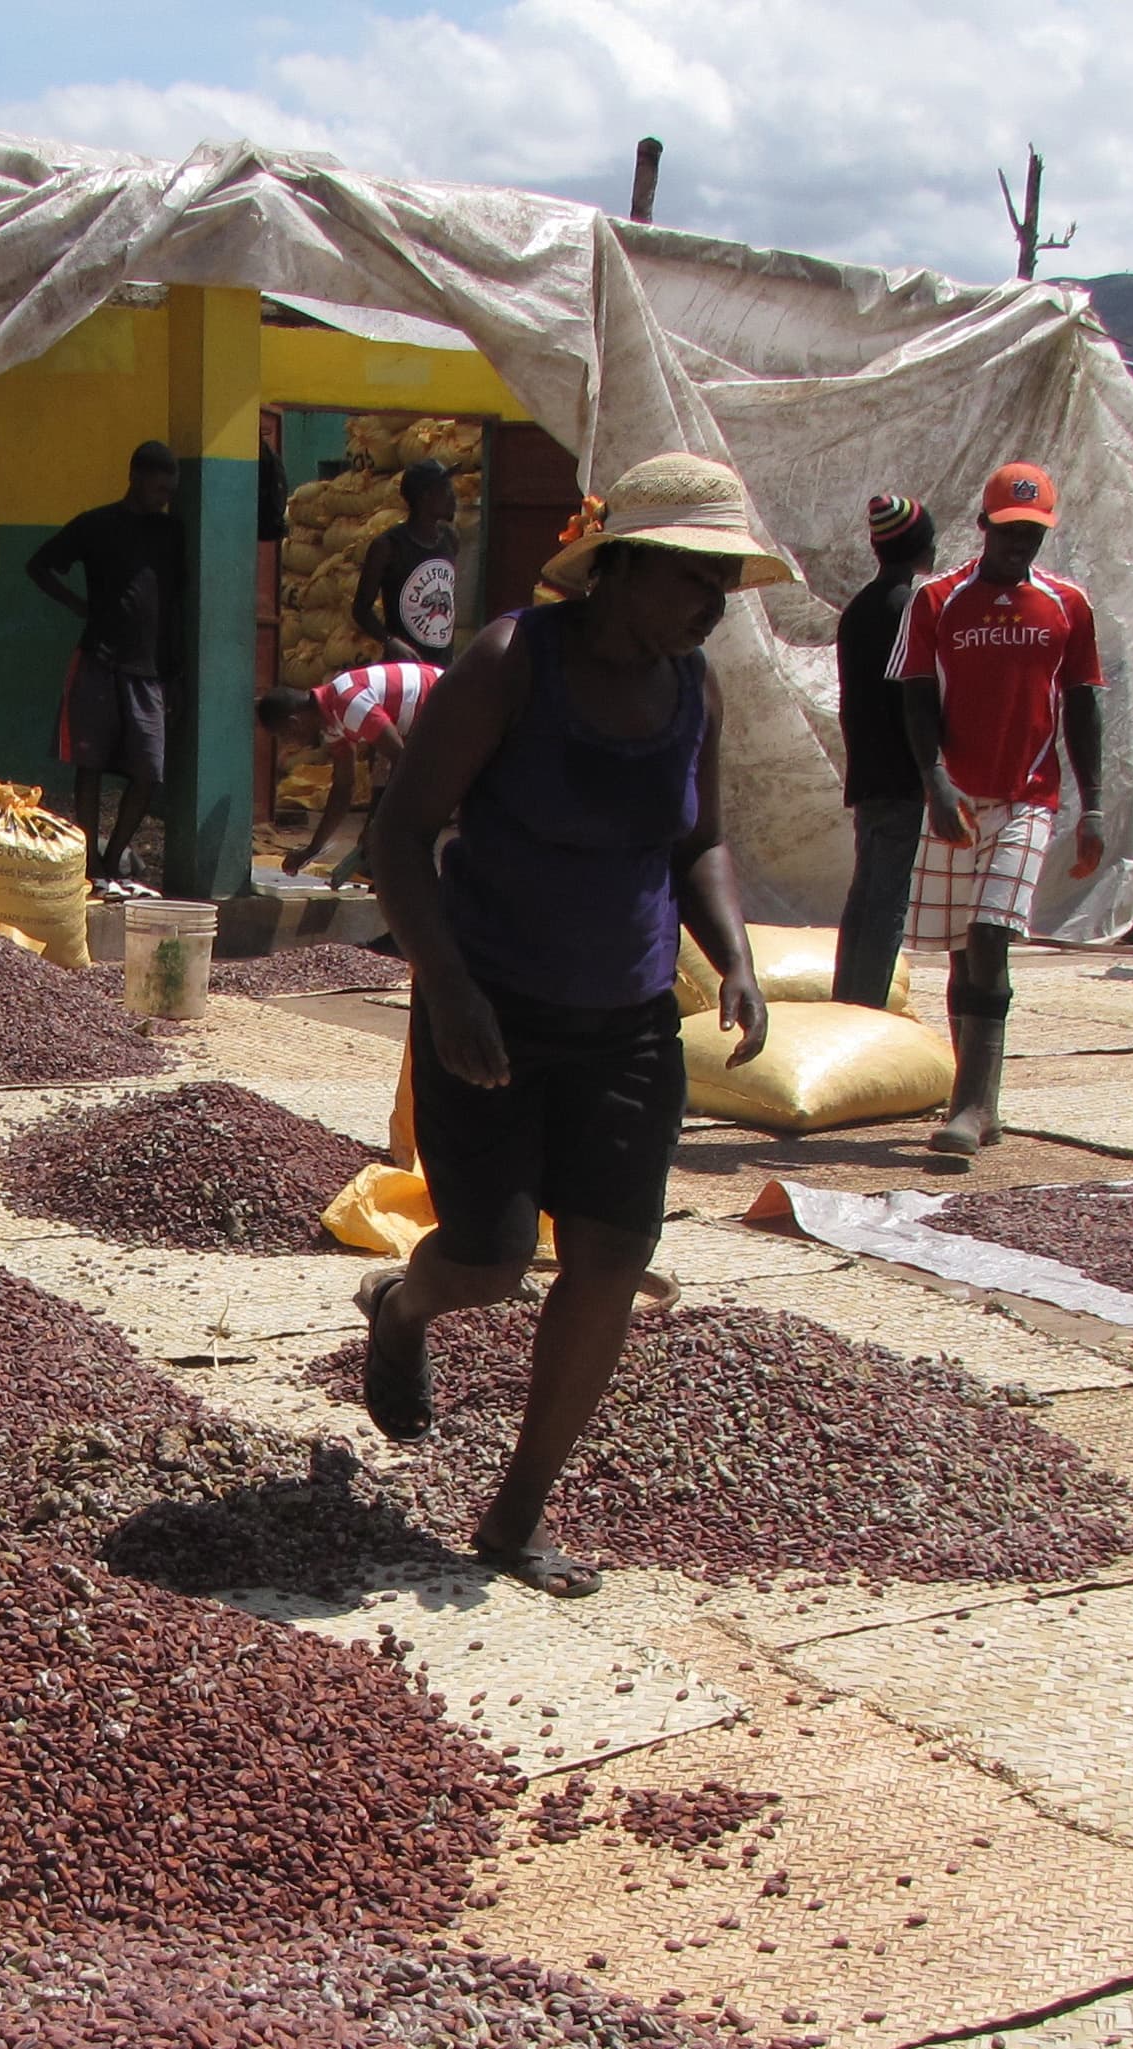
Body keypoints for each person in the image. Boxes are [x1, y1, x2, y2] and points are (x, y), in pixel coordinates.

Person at [354, 453, 774, 1599]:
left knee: (607, 1261)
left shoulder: (696, 688)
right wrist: (448, 989)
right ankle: (402, 1306)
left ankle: (515, 1518)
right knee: (489, 1265)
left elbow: (699, 842)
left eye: (725, 582)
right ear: (620, 568)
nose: (714, 604)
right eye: (696, 577)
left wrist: (733, 955)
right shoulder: (508, 665)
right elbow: (402, 836)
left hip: (629, 1025)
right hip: (489, 1009)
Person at [896, 460, 1109, 1156]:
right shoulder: (938, 600)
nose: (1022, 543)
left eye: (1035, 531)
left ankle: (973, 1107)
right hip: (958, 796)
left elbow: (1082, 703)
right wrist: (934, 779)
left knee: (990, 934)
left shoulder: (1067, 605)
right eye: (1011, 529)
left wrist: (1094, 807)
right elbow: (915, 694)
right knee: (962, 951)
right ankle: (977, 1097)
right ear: (984, 525)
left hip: (1029, 797)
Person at [28, 440, 181, 892]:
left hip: (149, 670)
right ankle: (90, 859)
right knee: (88, 764)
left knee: (148, 770)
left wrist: (176, 676)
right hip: (98, 658)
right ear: (134, 477)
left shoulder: (171, 534)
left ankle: (114, 856)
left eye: (169, 490)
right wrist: (77, 604)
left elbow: (174, 606)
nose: (163, 498)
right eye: (158, 488)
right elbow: (39, 566)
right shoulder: (96, 525)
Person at [832, 493, 935, 1006]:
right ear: (920, 548)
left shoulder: (859, 610)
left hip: (869, 772)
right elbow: (913, 697)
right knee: (888, 901)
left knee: (866, 894)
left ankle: (847, 998)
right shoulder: (908, 610)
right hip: (901, 775)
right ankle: (866, 1007)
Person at [262, 659, 434, 884]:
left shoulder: (348, 703)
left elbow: (402, 761)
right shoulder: (331, 721)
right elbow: (343, 787)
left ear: (294, 723)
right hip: (429, 724)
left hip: (452, 707)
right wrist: (311, 850)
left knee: (404, 835)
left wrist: (378, 823)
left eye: (286, 737)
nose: (291, 744)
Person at [353, 458, 466, 667]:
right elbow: (360, 609)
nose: (453, 496)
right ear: (425, 497)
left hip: (442, 666)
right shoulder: (388, 546)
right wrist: (390, 641)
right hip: (404, 667)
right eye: (445, 489)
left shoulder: (449, 538)